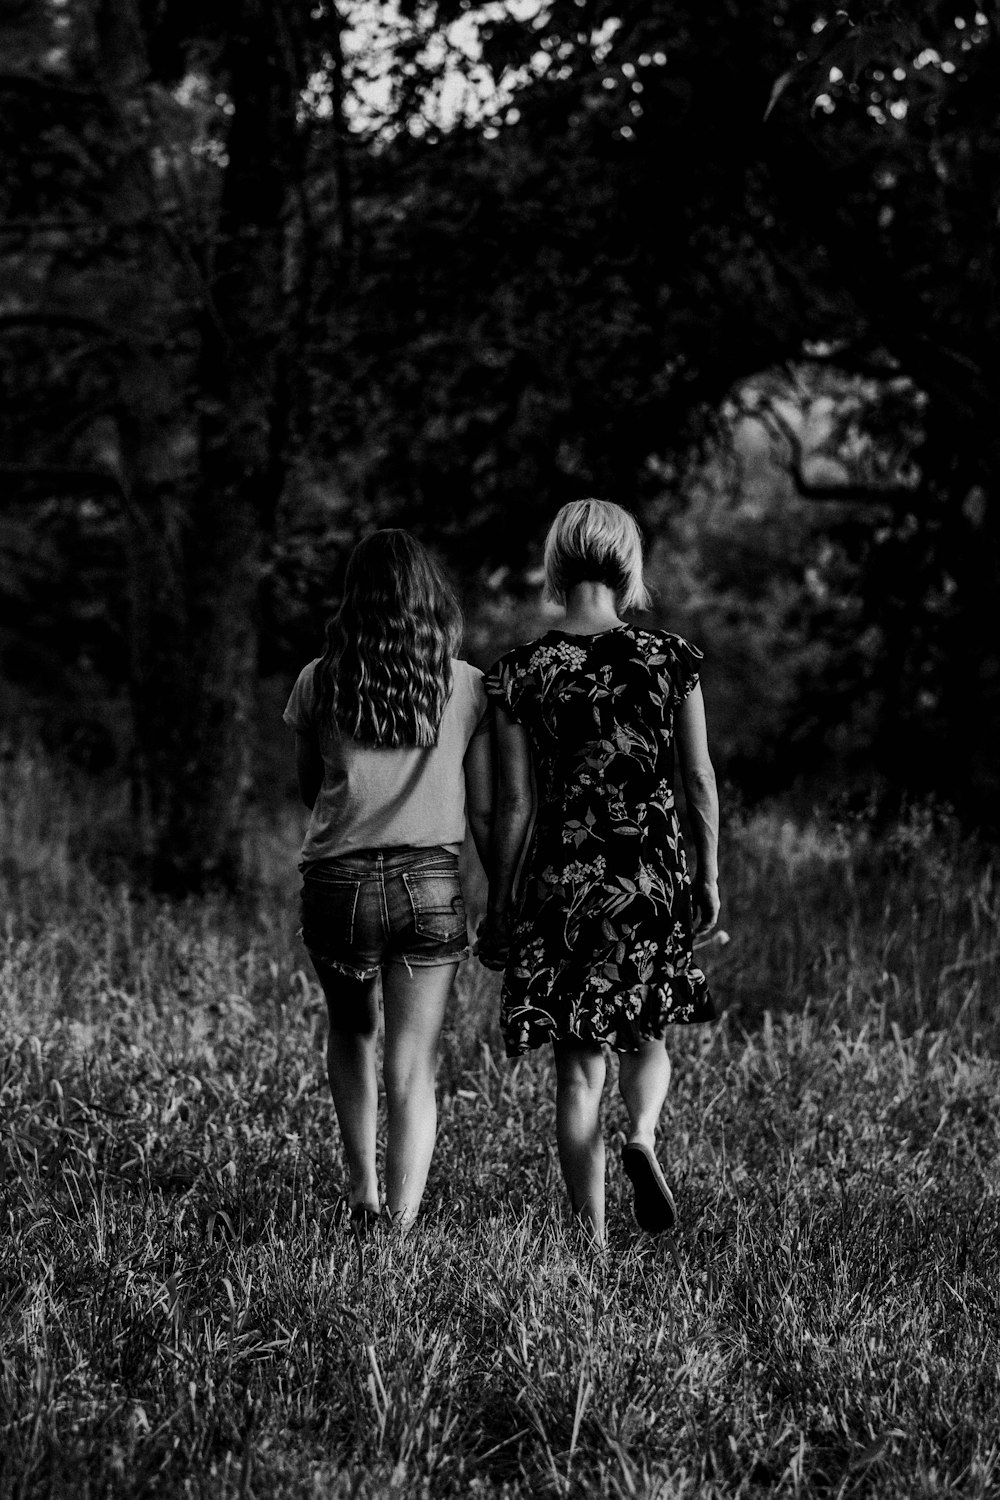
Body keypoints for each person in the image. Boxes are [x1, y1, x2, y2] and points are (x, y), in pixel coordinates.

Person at [478, 499, 719, 1245]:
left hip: (565, 881)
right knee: (648, 1035)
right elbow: (699, 778)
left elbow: (513, 803)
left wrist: (503, 899)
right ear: (626, 564)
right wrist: (707, 877)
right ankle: (642, 1136)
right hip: (649, 874)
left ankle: (592, 1241)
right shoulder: (670, 659)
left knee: (578, 1068)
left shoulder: (522, 671)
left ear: (557, 565)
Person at [284, 530, 492, 1235]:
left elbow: (310, 788)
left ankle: (362, 1192)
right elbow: (484, 794)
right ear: (428, 598)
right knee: (413, 1063)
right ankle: (400, 1229)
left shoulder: (319, 679)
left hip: (338, 883)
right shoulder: (466, 685)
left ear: (356, 598)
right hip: (429, 885)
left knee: (351, 1030)